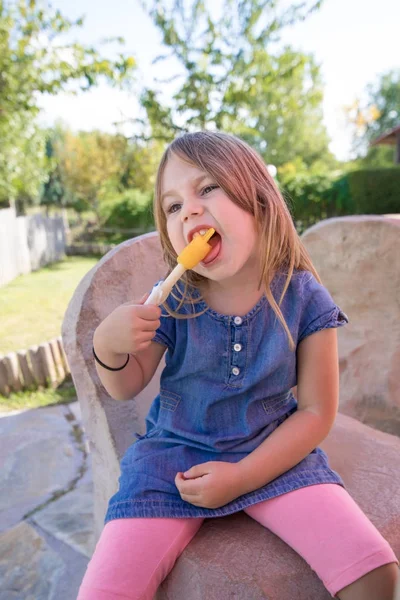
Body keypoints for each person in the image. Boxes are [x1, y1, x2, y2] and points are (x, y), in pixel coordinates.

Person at [78, 131, 398, 600]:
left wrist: (243, 476)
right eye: (171, 206)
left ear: (260, 203)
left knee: (376, 575)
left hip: (273, 454)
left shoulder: (305, 297)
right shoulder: (175, 297)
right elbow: (127, 385)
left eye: (207, 188)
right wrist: (109, 346)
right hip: (172, 460)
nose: (187, 209)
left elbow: (316, 413)